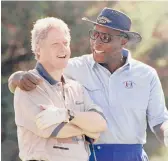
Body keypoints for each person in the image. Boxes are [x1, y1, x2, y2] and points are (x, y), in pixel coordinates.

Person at [9, 7, 168, 161]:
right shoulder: (73, 66)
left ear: (123, 41)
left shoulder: (146, 75)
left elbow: (159, 120)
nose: (96, 43)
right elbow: (40, 71)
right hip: (92, 154)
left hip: (133, 155)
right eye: (95, 35)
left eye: (105, 37)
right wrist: (17, 77)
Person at [13, 17, 107, 161]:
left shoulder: (76, 88)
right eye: (55, 44)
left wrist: (68, 115)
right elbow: (53, 129)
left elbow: (100, 124)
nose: (63, 49)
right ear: (38, 50)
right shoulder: (28, 85)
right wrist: (88, 131)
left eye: (65, 43)